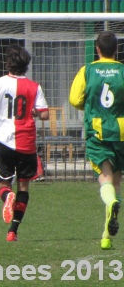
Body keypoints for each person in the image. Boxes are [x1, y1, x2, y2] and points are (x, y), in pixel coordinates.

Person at [0, 43, 49, 242]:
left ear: (7, 63)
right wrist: (35, 112)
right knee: (24, 188)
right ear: (27, 65)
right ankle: (13, 232)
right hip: (26, 142)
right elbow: (44, 114)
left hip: (4, 141)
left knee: (4, 183)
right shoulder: (34, 86)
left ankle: (6, 196)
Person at [70, 31, 124, 250]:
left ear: (98, 50)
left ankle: (111, 203)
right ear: (116, 50)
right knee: (117, 180)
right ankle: (106, 236)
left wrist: (90, 107)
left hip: (98, 131)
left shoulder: (88, 70)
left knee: (105, 178)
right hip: (121, 131)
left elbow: (74, 99)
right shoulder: (122, 70)